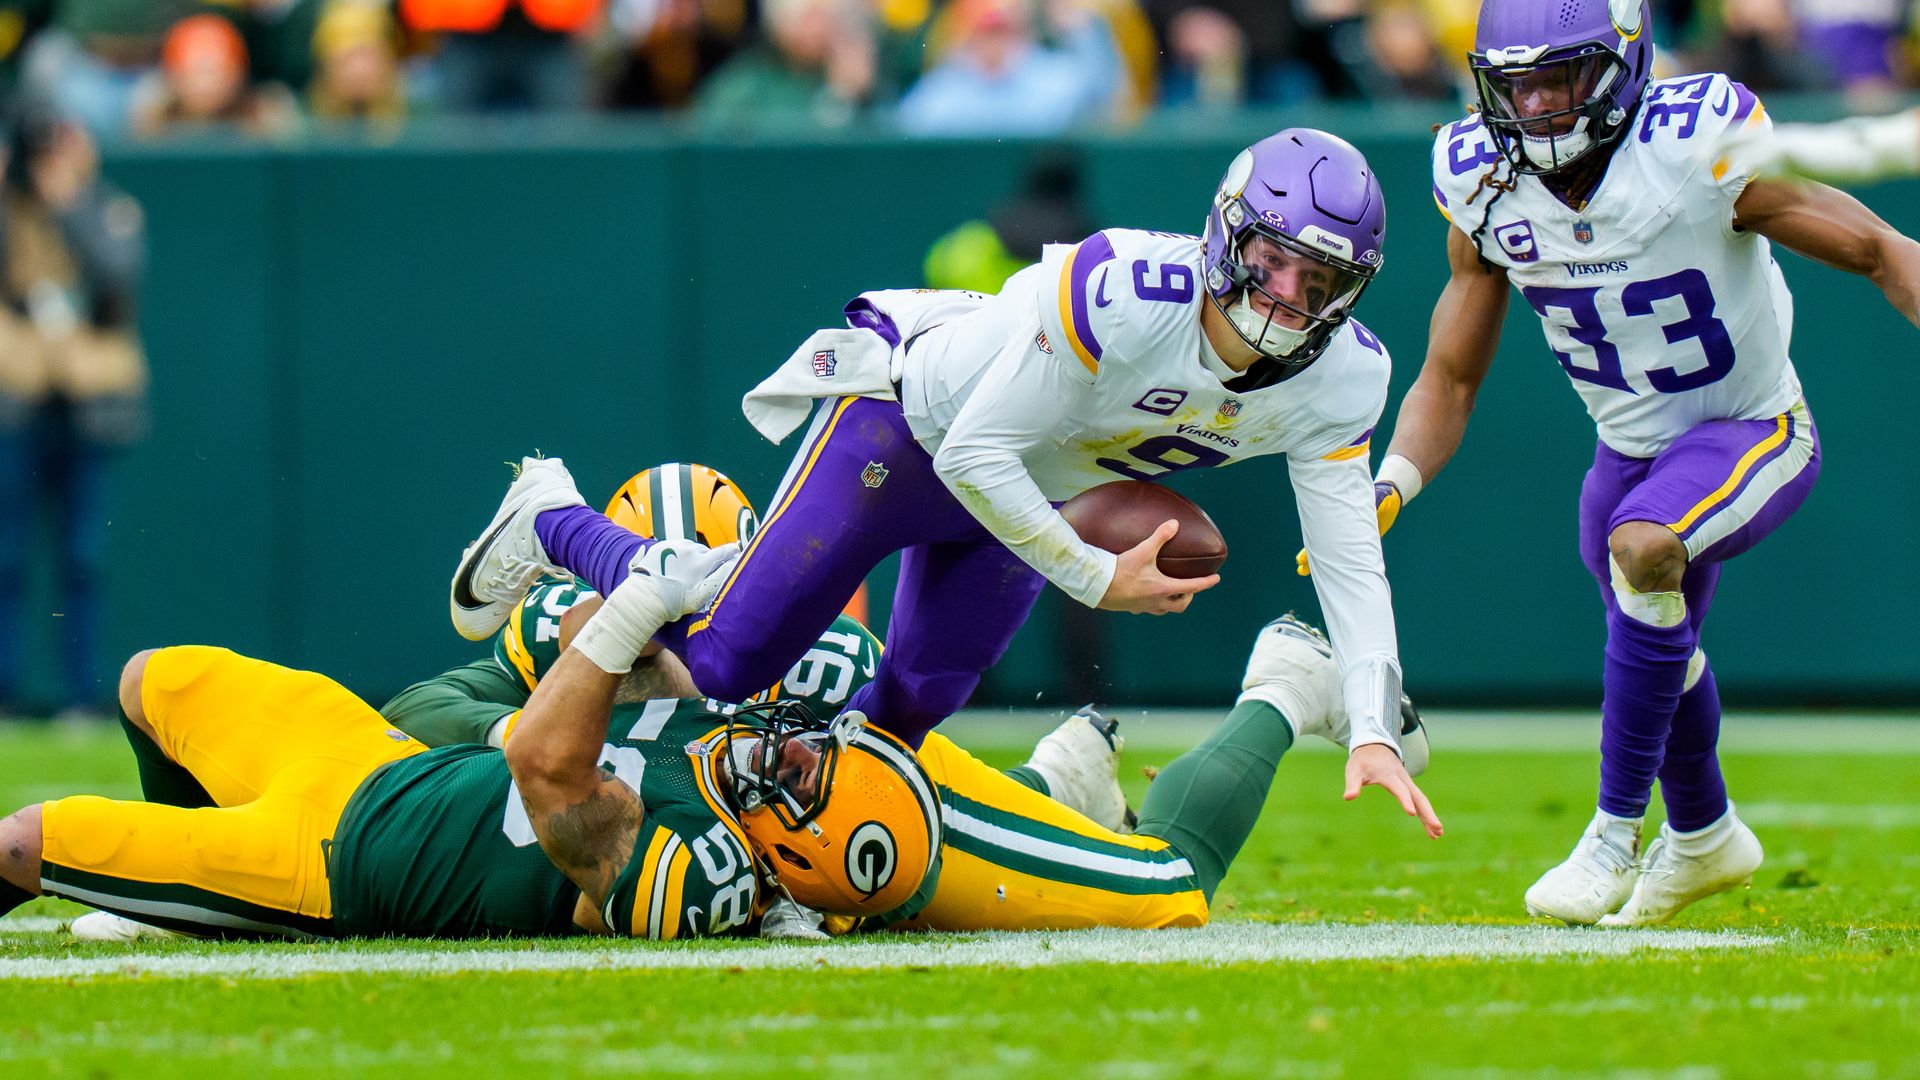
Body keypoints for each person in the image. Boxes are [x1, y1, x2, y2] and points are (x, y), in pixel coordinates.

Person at [452, 128, 1441, 837]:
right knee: (725, 661)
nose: (1287, 298)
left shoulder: (1342, 376)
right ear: (1230, 237)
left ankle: (806, 818)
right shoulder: (1125, 295)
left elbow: (1352, 563)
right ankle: (557, 518)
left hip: (1032, 491)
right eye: (1273, 264)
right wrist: (1094, 578)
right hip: (909, 434)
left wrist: (1369, 730)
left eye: (1319, 283)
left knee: (915, 703)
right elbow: (972, 453)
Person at [1383, 0, 1920, 925]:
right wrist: (1392, 478)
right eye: (1515, 83)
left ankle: (1613, 833)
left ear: (1624, 67)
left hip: (1752, 428)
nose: (1537, 105)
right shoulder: (1482, 182)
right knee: (1658, 646)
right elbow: (1452, 372)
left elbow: (1876, 248)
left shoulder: (1692, 150)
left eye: (1559, 79)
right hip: (1623, 451)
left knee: (1645, 551)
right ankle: (1706, 836)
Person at [0, 566, 945, 939]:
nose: (797, 759)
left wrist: (629, 616)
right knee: (153, 680)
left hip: (331, 866)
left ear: (799, 859)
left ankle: (194, 886)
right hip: (374, 758)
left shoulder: (706, 874)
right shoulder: (738, 745)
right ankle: (173, 904)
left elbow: (544, 761)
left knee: (24, 843)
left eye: (809, 789)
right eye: (820, 757)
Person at [0, 103, 147, 721]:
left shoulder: (108, 207)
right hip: (20, 402)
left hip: (90, 406)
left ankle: (80, 699)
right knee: (7, 556)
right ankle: (5, 693)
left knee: (83, 557)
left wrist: (72, 201)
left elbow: (119, 277)